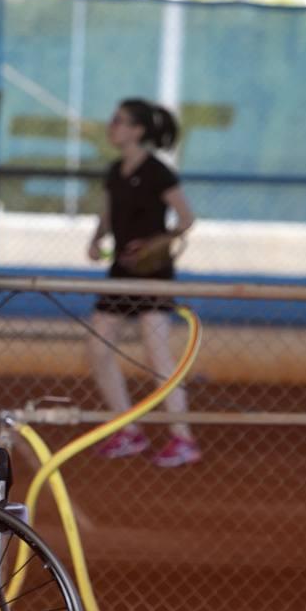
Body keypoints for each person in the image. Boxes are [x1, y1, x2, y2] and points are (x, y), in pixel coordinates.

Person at [86, 97, 200, 467]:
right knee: (99, 348)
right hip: (120, 273)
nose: (112, 126)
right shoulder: (115, 170)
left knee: (157, 355)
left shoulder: (157, 172)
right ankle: (128, 430)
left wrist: (156, 243)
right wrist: (97, 237)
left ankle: (182, 438)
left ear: (138, 130)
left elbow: (186, 218)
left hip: (152, 274)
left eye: (120, 121)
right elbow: (109, 213)